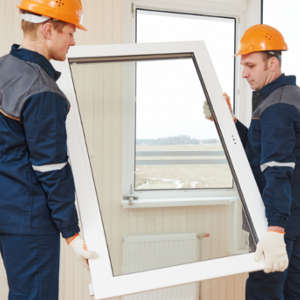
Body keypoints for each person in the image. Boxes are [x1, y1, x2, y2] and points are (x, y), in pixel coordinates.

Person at [0, 0, 95, 299]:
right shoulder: (42, 90)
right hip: (28, 219)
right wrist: (72, 232)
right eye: (69, 32)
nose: (73, 40)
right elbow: (50, 168)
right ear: (48, 29)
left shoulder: (4, 68)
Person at [204, 24, 300, 300]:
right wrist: (229, 121)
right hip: (292, 221)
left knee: (264, 293)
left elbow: (278, 171)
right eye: (243, 66)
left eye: (250, 65)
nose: (244, 73)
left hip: (280, 223)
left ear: (272, 63)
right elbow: (258, 153)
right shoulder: (286, 99)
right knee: (292, 291)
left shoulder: (276, 107)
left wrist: (274, 229)